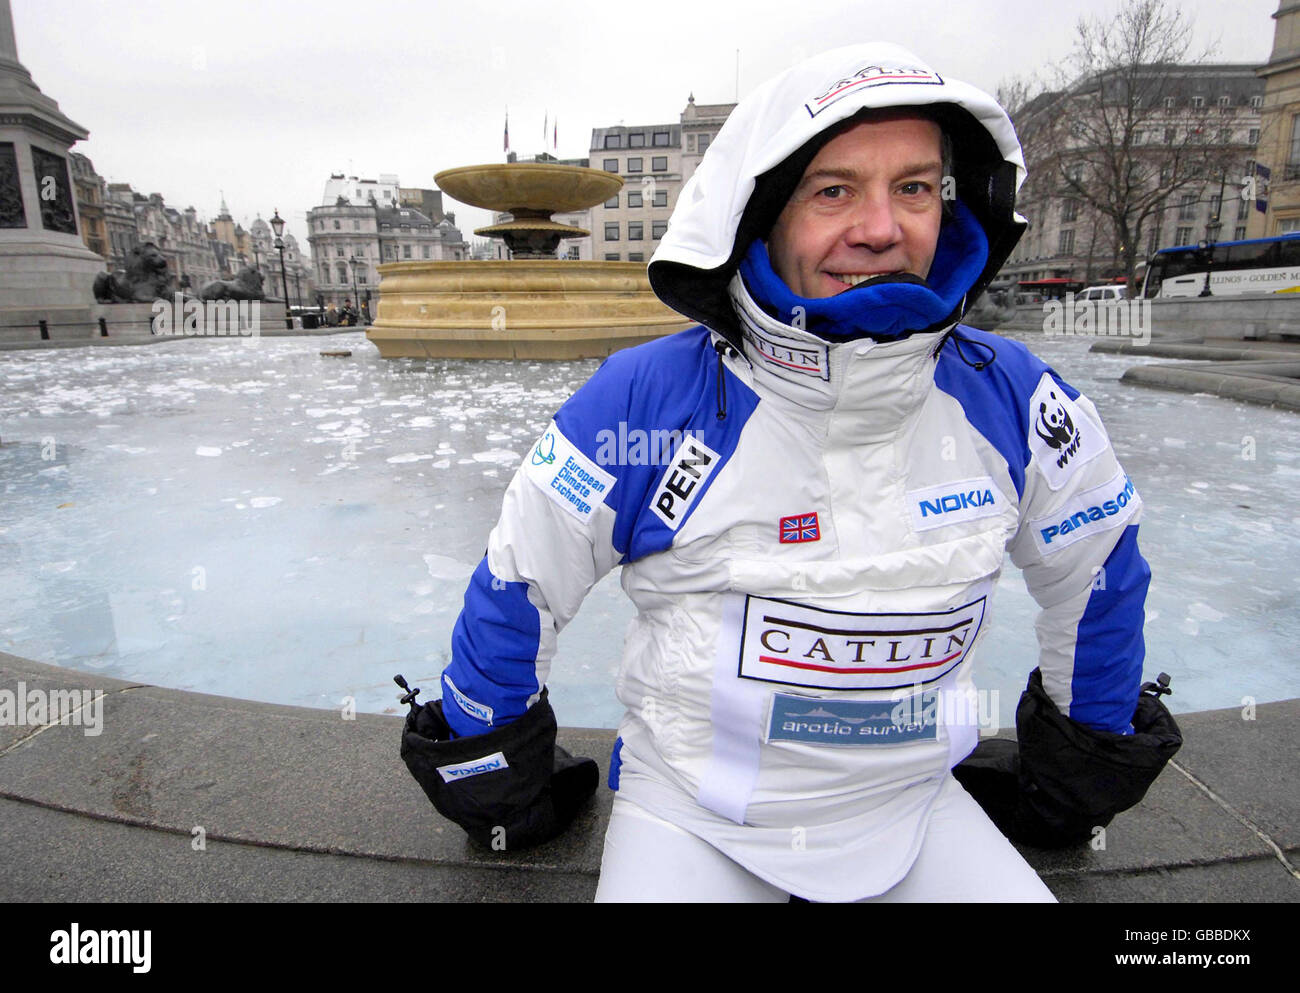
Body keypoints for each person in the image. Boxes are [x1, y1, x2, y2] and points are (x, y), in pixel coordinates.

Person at [401, 42, 1169, 902]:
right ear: (761, 212)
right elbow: (519, 580)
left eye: (913, 187)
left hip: (918, 808)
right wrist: (499, 782)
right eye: (834, 190)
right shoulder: (645, 400)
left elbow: (1098, 570)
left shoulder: (1015, 396)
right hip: (689, 819)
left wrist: (1076, 781)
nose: (882, 228)